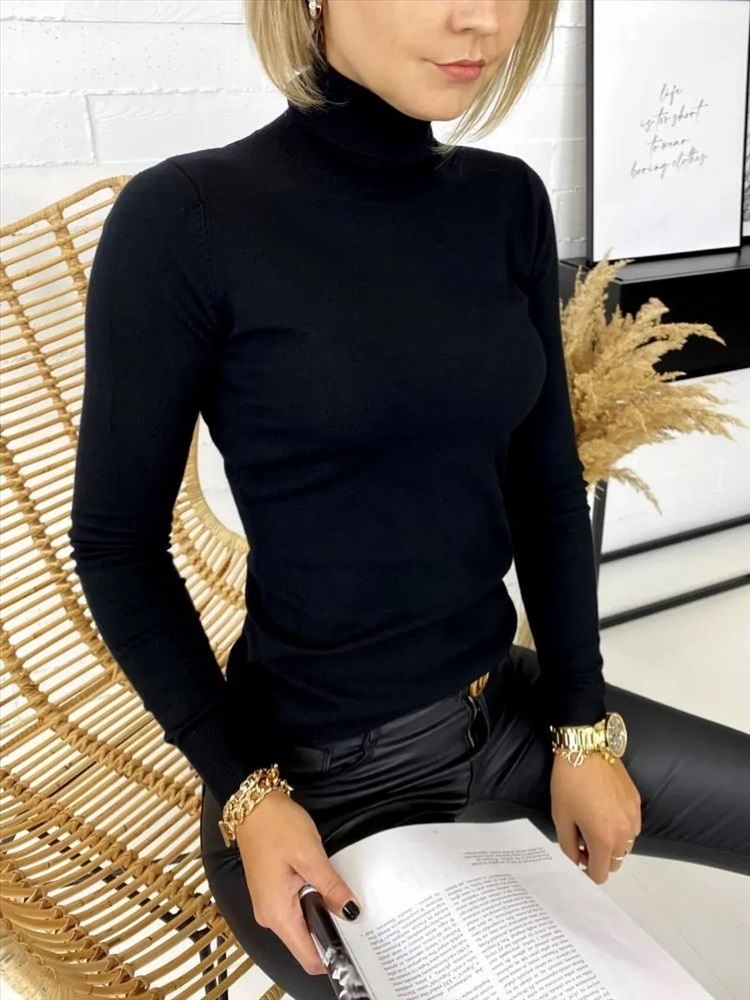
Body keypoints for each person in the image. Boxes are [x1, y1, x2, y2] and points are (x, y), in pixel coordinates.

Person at [68, 1, 749, 997]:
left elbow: (545, 486)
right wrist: (248, 793)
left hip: (505, 713)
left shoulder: (506, 202)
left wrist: (581, 727)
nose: (483, 20)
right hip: (316, 779)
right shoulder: (188, 219)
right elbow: (116, 547)